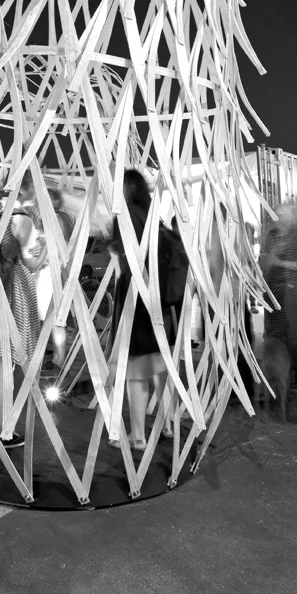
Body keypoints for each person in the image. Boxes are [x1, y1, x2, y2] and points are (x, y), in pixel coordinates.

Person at [0, 182, 48, 449]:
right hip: (14, 290)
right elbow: (31, 263)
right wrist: (48, 248)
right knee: (7, 363)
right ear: (26, 190)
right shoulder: (21, 219)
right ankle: (5, 430)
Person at [108, 168, 179, 449]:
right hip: (159, 302)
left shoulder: (126, 217)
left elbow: (126, 258)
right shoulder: (153, 219)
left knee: (136, 372)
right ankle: (168, 424)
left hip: (136, 301)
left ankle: (137, 437)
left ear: (127, 187)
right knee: (160, 367)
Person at [260, 202, 297, 388]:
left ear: (291, 217)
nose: (278, 219)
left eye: (282, 215)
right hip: (272, 291)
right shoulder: (270, 237)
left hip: (292, 289)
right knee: (275, 335)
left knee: (295, 336)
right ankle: (279, 374)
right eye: (276, 215)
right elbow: (264, 264)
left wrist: (279, 263)